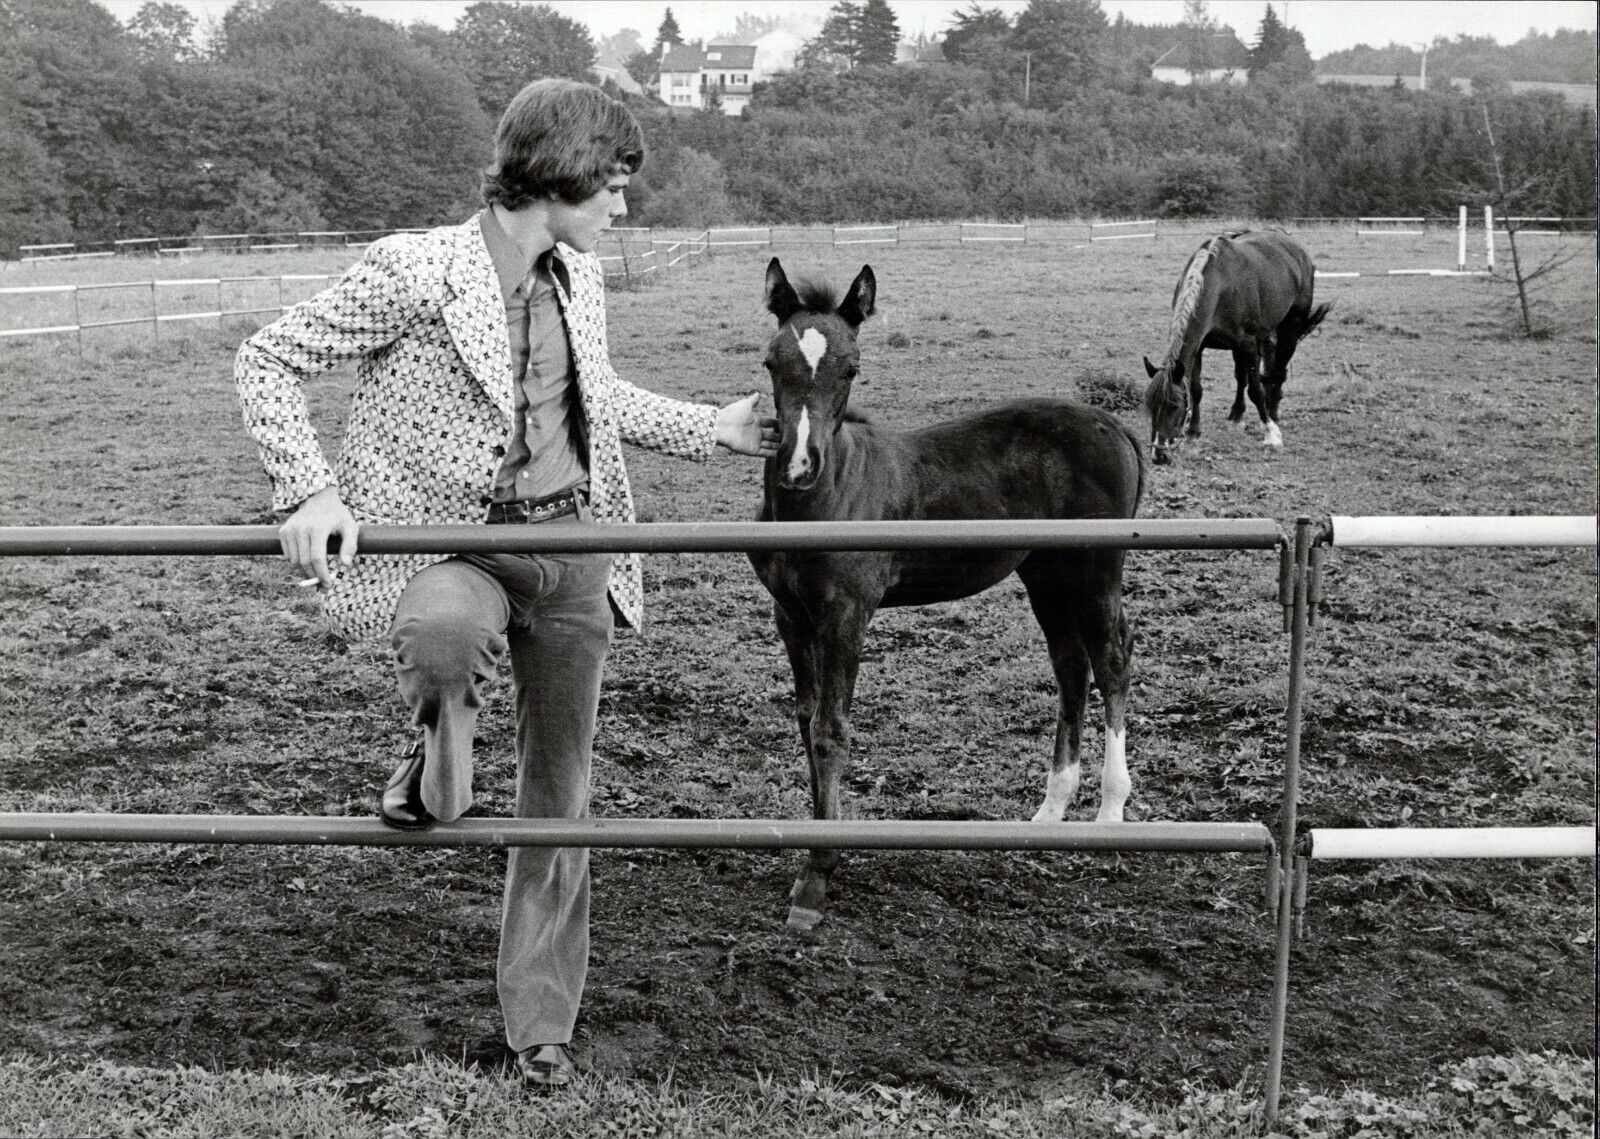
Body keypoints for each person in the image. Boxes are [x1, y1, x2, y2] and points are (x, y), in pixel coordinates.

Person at [234, 78, 777, 1090]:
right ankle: (438, 745)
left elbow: (591, 395)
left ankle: (539, 1023)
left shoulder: (580, 276)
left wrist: (714, 425)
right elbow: (267, 360)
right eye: (612, 186)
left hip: (573, 551)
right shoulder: (417, 270)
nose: (621, 207)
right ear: (560, 174)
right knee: (441, 639)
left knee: (558, 793)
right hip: (456, 547)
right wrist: (306, 490)